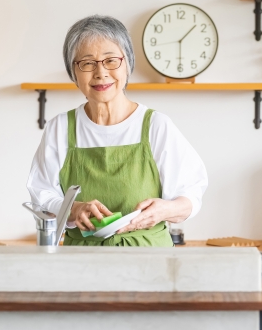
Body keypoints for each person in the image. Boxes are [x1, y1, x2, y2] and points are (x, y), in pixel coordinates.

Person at [27, 15, 207, 246]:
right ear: (74, 72)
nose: (100, 72)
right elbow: (42, 195)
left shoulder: (156, 125)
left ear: (128, 64)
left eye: (111, 60)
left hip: (150, 260)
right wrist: (73, 208)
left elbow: (191, 196)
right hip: (82, 262)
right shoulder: (60, 128)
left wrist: (164, 210)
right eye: (87, 63)